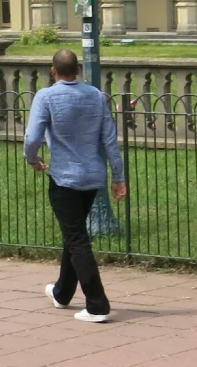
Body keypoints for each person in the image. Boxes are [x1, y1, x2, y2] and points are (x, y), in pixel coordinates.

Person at [23, 49, 127, 322]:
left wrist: (31, 159)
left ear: (53, 70)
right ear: (78, 70)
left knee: (78, 239)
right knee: (75, 233)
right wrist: (118, 176)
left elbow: (32, 136)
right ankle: (61, 292)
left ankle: (97, 305)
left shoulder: (45, 96)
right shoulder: (95, 95)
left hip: (64, 178)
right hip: (93, 177)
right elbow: (109, 140)